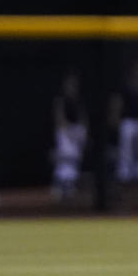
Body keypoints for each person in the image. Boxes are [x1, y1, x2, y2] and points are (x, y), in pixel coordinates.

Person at [50, 71, 88, 201]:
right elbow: (59, 119)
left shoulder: (79, 99)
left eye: (74, 85)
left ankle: (70, 186)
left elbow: (83, 118)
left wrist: (82, 132)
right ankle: (60, 187)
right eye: (69, 84)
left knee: (74, 159)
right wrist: (67, 132)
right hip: (64, 132)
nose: (72, 87)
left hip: (76, 131)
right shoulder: (61, 99)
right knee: (66, 158)